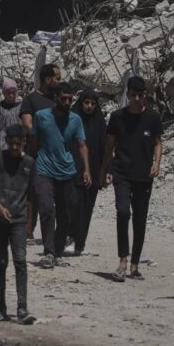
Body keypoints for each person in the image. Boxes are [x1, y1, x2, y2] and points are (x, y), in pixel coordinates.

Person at [101, 76, 163, 281]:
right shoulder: (117, 117)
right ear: (127, 95)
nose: (136, 99)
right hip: (121, 173)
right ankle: (122, 260)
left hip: (144, 176)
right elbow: (110, 145)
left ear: (145, 96)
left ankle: (135, 264)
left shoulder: (153, 118)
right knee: (122, 212)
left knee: (140, 219)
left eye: (140, 95)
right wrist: (105, 169)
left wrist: (157, 163)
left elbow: (158, 143)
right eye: (133, 95)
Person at [29, 82, 90, 268]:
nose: (67, 102)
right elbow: (34, 142)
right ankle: (49, 252)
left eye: (70, 99)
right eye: (63, 99)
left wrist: (87, 169)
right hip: (44, 169)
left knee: (65, 215)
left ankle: (57, 251)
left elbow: (82, 145)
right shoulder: (41, 116)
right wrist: (27, 166)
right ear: (55, 98)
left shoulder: (76, 120)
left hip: (67, 172)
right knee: (47, 209)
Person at [0, 124, 37, 324]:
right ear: (6, 141)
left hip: (19, 219)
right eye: (11, 143)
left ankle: (22, 308)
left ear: (24, 142)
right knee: (1, 261)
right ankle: (1, 307)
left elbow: (31, 195)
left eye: (18, 144)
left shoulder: (29, 163)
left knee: (20, 260)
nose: (15, 147)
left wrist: (29, 223)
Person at [20, 64, 60, 241]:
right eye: (57, 78)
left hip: (56, 154)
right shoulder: (31, 99)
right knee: (32, 192)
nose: (59, 81)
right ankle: (28, 229)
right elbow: (27, 124)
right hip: (35, 153)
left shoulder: (58, 99)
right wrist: (45, 135)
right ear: (47, 79)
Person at [71, 88, 106, 256]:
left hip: (94, 169)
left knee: (87, 207)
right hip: (73, 168)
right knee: (74, 204)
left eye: (93, 103)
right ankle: (69, 236)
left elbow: (106, 146)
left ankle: (80, 244)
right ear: (81, 103)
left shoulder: (99, 121)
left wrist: (107, 170)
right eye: (86, 103)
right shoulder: (72, 118)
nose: (89, 106)